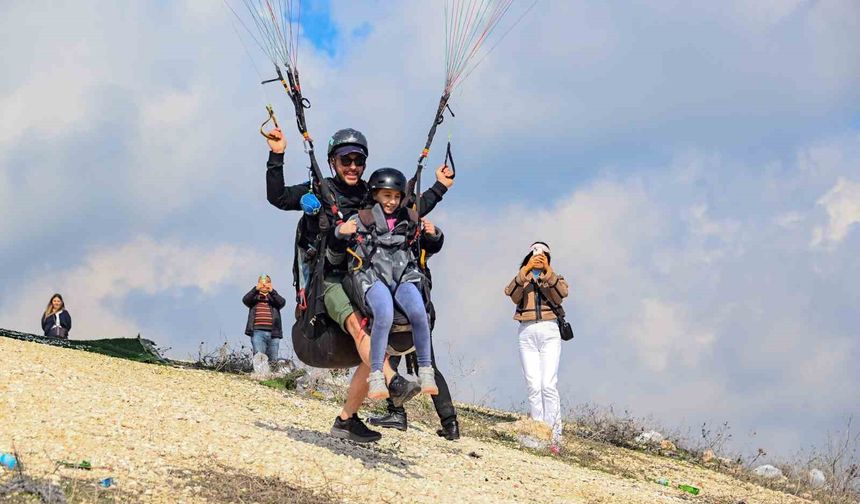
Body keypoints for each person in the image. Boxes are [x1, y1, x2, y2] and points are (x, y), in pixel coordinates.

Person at [265, 127, 455, 443]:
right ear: (332, 162)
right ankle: (394, 382)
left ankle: (346, 419)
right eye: (346, 160)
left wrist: (440, 187)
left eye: (358, 161)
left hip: (364, 277)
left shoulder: (369, 195)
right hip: (330, 279)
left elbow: (406, 208)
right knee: (360, 329)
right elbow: (278, 197)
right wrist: (277, 154)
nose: (353, 167)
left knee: (378, 342)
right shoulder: (318, 190)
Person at [331, 168, 441, 399]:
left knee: (420, 313)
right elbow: (336, 250)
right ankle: (377, 375)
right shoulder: (361, 219)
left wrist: (434, 234)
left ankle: (425, 369)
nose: (392, 201)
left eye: (396, 197)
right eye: (386, 196)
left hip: (402, 275)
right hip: (373, 276)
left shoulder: (409, 219)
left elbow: (428, 245)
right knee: (384, 314)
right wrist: (340, 232)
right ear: (375, 195)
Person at [504, 242, 569, 447]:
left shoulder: (554, 278)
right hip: (526, 331)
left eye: (543, 255)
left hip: (550, 330)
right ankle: (537, 432)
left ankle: (555, 434)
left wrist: (547, 272)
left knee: (548, 384)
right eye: (534, 254)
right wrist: (525, 271)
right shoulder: (522, 279)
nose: (539, 258)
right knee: (533, 384)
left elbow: (562, 294)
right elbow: (510, 293)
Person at [242, 274, 287, 365]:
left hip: (274, 333)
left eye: (267, 283)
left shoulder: (273, 297)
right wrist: (255, 289)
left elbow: (282, 302)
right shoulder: (254, 297)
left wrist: (272, 291)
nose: (264, 285)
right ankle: (260, 376)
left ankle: (272, 377)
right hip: (257, 332)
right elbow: (245, 300)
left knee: (273, 360)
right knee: (259, 358)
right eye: (262, 283)